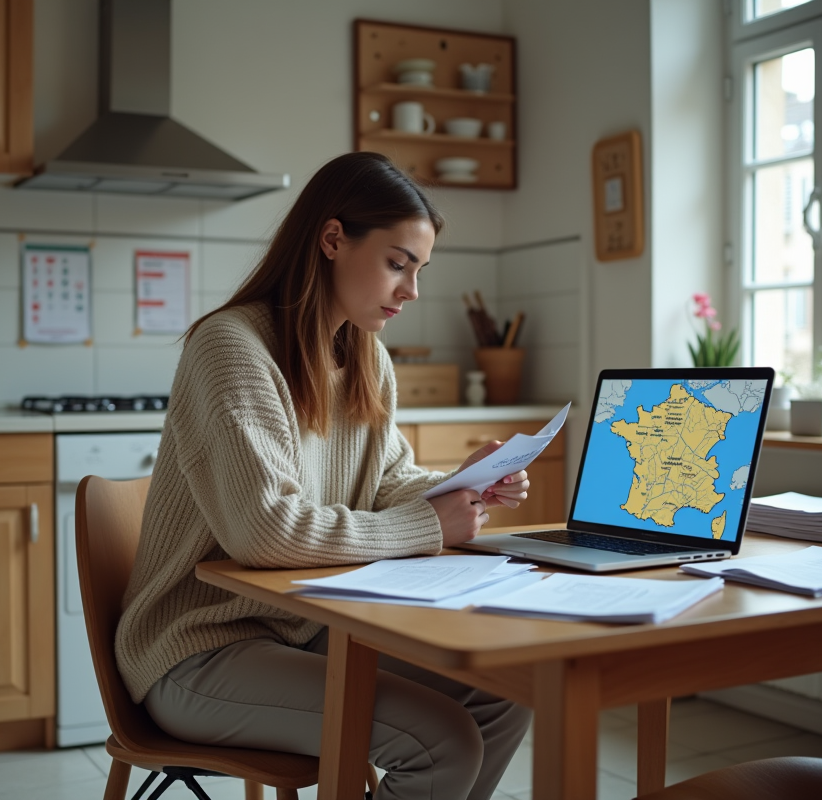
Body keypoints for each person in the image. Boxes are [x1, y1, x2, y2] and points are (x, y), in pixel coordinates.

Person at [116, 151, 533, 800]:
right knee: (440, 742)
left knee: (510, 688)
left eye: (419, 271)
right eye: (398, 264)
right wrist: (430, 522)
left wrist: (460, 484)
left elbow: (385, 480)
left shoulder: (365, 356)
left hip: (301, 629)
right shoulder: (231, 348)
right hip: (196, 651)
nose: (411, 292)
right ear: (333, 239)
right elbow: (266, 532)